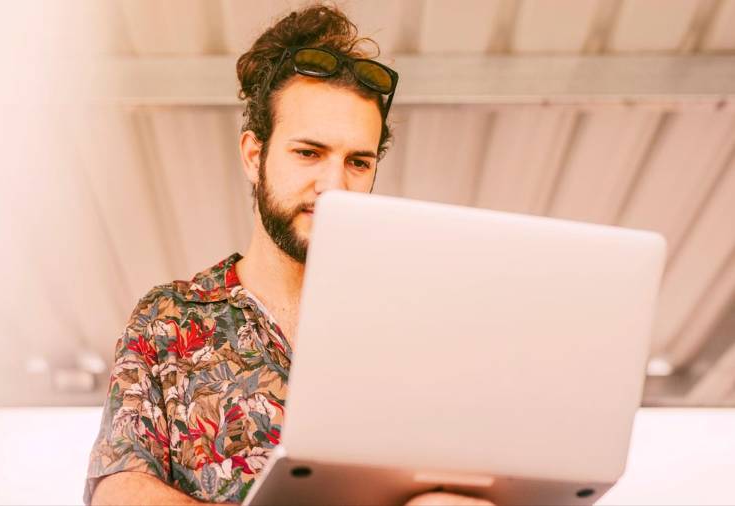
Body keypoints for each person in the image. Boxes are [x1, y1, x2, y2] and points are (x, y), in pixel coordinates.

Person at [85, 4, 492, 506]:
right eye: (309, 153)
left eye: (357, 162)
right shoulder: (167, 319)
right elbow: (120, 491)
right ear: (255, 155)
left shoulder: (409, 323)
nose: (333, 185)